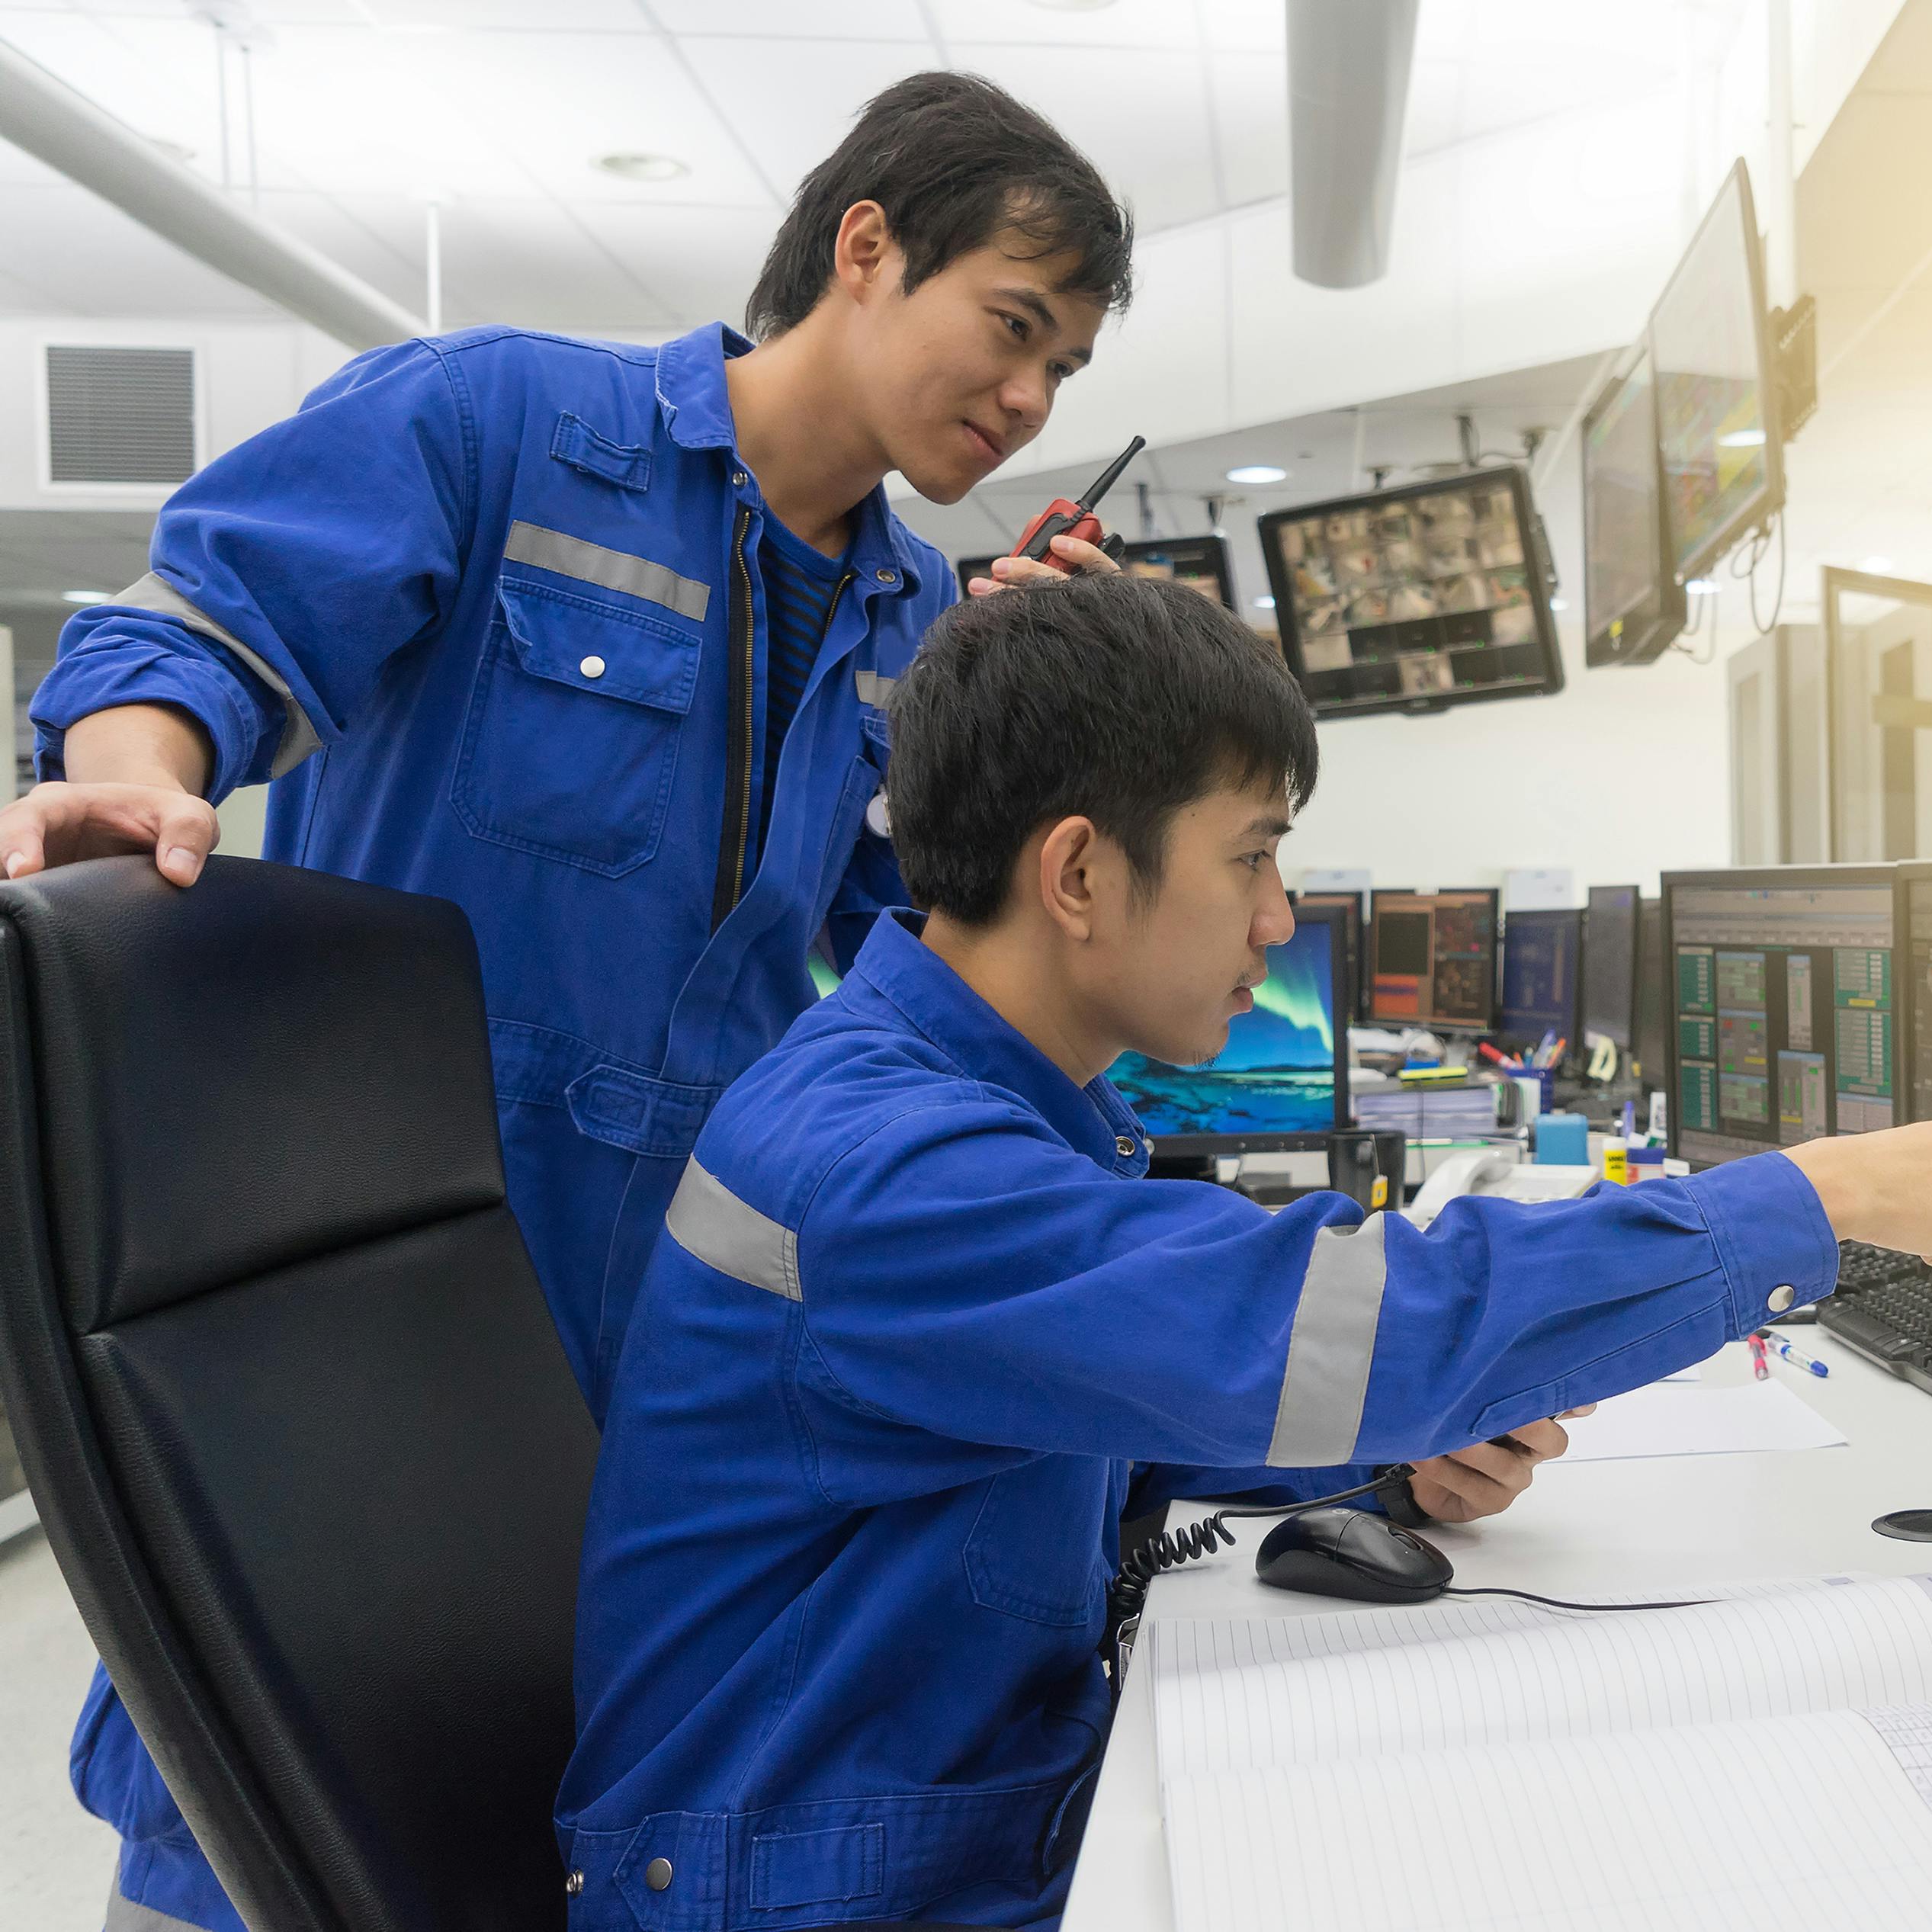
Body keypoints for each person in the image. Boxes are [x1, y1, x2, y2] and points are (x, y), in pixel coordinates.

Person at [557, 573, 1932, 1929]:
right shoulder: (890, 1165)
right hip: (817, 1882)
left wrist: (1372, 1477)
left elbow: (1036, 1414)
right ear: (1083, 874)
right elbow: (1343, 1324)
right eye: (1250, 855)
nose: (1277, 913)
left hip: (915, 1804)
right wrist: (1810, 1197)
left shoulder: (942, 1095)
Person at [8, 71, 1131, 1932]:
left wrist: (1035, 720)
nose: (1026, 400)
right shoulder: (502, 421)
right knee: (250, 1831)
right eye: (1012, 327)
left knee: (539, 1823)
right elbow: (192, 633)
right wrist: (141, 782)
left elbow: (943, 978)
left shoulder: (916, 630)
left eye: (1063, 371)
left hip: (662, 1369)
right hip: (347, 1328)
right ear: (866, 248)